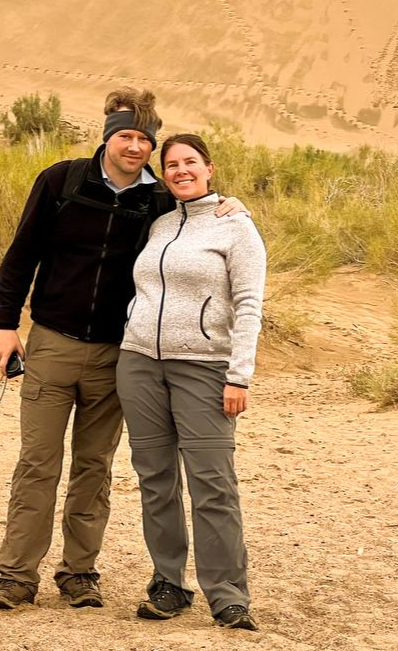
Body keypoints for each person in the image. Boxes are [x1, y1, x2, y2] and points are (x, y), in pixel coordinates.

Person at [0, 90, 248, 611]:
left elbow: (198, 207)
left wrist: (233, 203)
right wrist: (4, 324)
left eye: (143, 139)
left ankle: (79, 573)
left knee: (94, 465)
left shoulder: (157, 200)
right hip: (53, 342)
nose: (134, 146)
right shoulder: (60, 180)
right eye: (125, 135)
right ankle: (17, 576)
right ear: (107, 136)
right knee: (38, 461)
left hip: (116, 354)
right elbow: (23, 254)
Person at [117, 133, 266, 631]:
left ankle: (228, 595)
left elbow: (249, 306)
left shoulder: (236, 226)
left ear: (209, 168)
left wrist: (238, 375)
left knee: (212, 485)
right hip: (139, 363)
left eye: (191, 162)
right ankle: (169, 583)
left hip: (204, 367)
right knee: (155, 481)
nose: (181, 170)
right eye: (172, 164)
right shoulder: (159, 224)